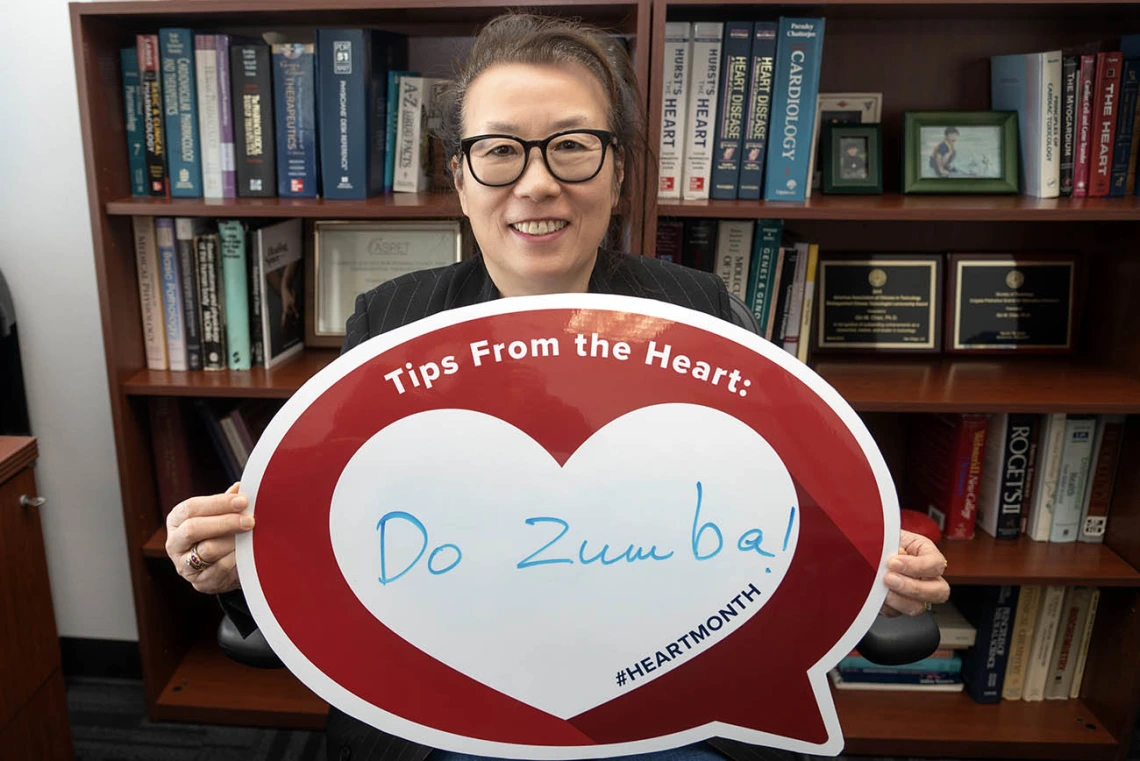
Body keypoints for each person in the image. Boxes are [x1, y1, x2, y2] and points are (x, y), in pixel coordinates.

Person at [165, 13, 951, 761]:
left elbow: (786, 527)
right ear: (460, 177)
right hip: (446, 708)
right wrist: (239, 565)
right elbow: (333, 549)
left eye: (571, 146)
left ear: (617, 167)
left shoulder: (701, 315)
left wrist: (880, 568)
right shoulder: (391, 321)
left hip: (675, 701)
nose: (536, 184)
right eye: (499, 151)